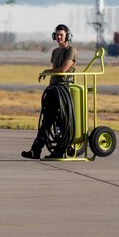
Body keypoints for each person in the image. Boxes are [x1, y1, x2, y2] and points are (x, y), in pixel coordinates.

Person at [22, 24, 78, 159]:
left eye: (61, 35)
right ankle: (36, 150)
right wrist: (49, 85)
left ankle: (61, 149)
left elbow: (63, 70)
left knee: (61, 122)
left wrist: (46, 72)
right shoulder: (55, 52)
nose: (59, 37)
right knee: (46, 121)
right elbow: (55, 70)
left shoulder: (71, 50)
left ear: (67, 36)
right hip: (54, 90)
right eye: (57, 35)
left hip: (64, 89)